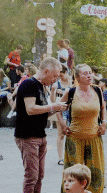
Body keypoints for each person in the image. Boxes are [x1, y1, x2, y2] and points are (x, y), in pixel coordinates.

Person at [15, 57, 67, 193]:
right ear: (46, 71)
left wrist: (57, 108)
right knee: (32, 176)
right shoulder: (29, 84)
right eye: (54, 75)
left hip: (40, 135)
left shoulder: (43, 86)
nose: (55, 79)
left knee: (39, 175)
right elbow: (31, 109)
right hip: (28, 135)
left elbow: (43, 112)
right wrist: (52, 107)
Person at [57, 63, 106, 193]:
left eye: (90, 72)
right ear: (77, 77)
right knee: (73, 175)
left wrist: (104, 122)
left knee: (96, 173)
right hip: (75, 139)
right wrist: (62, 125)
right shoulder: (71, 92)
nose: (89, 75)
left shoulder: (97, 90)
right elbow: (58, 109)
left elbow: (103, 108)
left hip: (94, 138)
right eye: (85, 73)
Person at [51, 65, 73, 165]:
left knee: (72, 134)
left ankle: (70, 157)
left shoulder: (72, 83)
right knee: (61, 135)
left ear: (66, 72)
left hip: (71, 110)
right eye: (58, 76)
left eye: (61, 75)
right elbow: (52, 100)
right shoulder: (57, 83)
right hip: (60, 111)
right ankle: (60, 158)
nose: (60, 77)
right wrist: (53, 91)